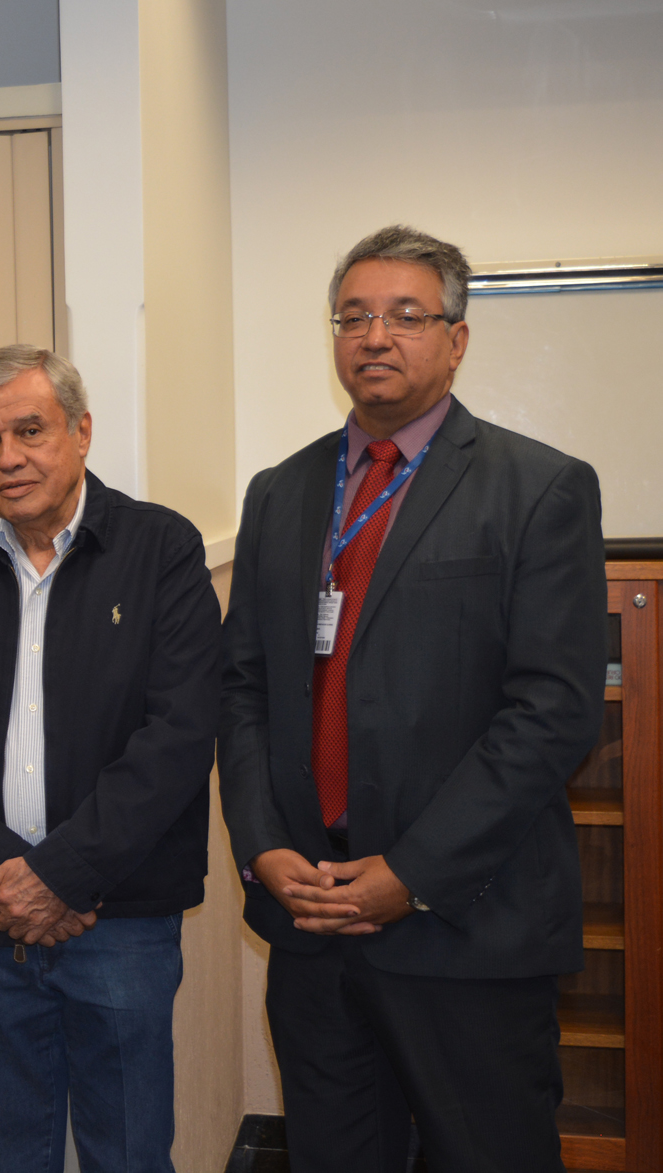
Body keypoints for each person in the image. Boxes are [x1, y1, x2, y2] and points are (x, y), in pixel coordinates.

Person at [219, 225, 606, 1172]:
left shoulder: (539, 488)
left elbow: (551, 712)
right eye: (352, 316)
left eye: (404, 315)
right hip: (310, 920)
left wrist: (411, 873)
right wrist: (263, 845)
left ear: (456, 338)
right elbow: (244, 687)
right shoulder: (280, 492)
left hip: (464, 926)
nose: (374, 336)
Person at [0, 345, 221, 1173]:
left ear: (81, 431)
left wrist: (61, 874)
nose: (8, 457)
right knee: (6, 1155)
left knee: (128, 1154)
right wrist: (11, 876)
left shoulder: (161, 548)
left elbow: (178, 734)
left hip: (120, 919)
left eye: (29, 430)